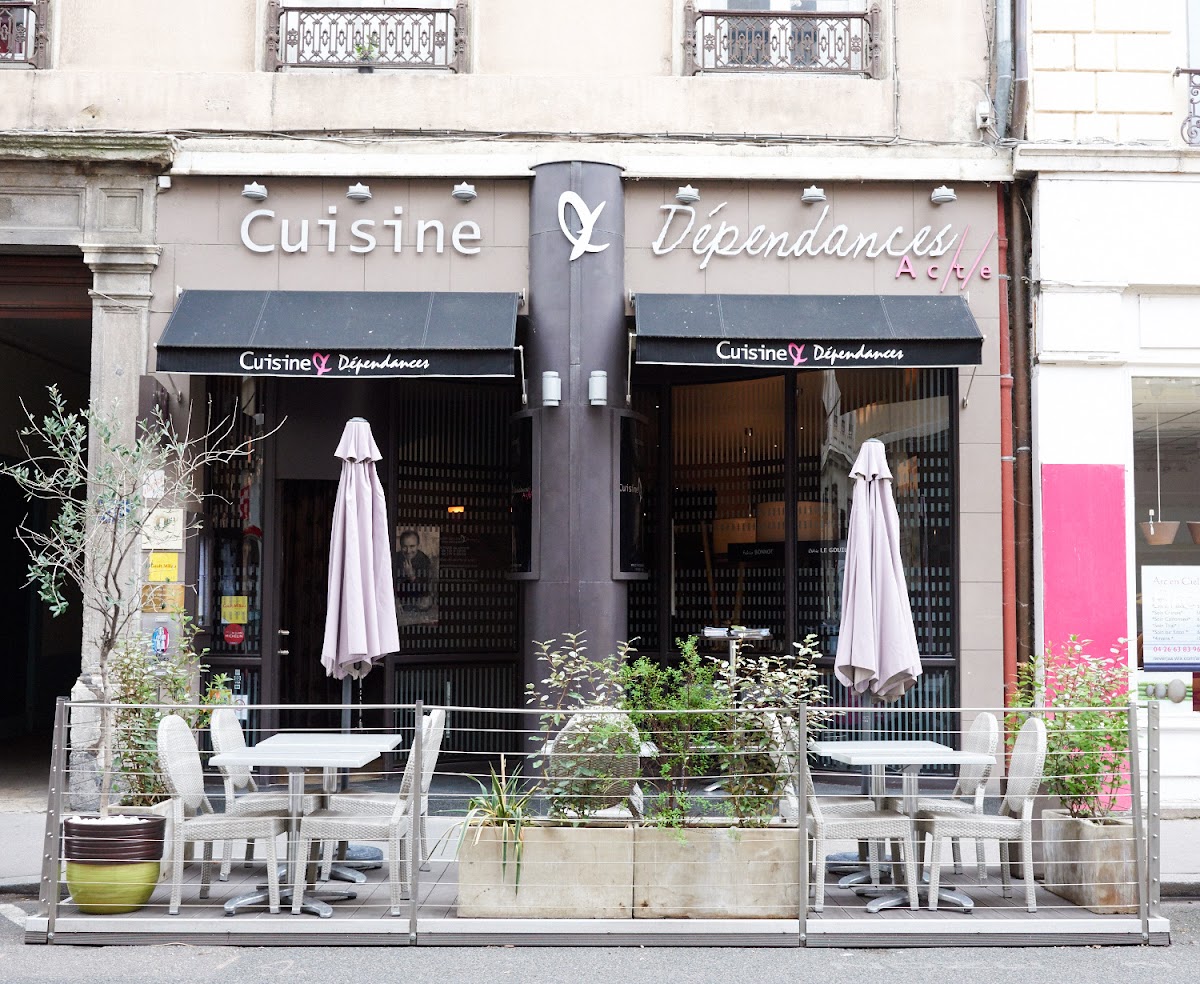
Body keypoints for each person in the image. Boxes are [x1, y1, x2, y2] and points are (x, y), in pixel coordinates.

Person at [397, 528, 434, 612]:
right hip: (401, 596)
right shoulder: (396, 558)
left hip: (418, 596)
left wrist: (412, 576)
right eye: (404, 547)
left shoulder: (424, 560)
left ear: (418, 546)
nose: (408, 551)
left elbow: (425, 590)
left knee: (426, 602)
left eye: (412, 546)